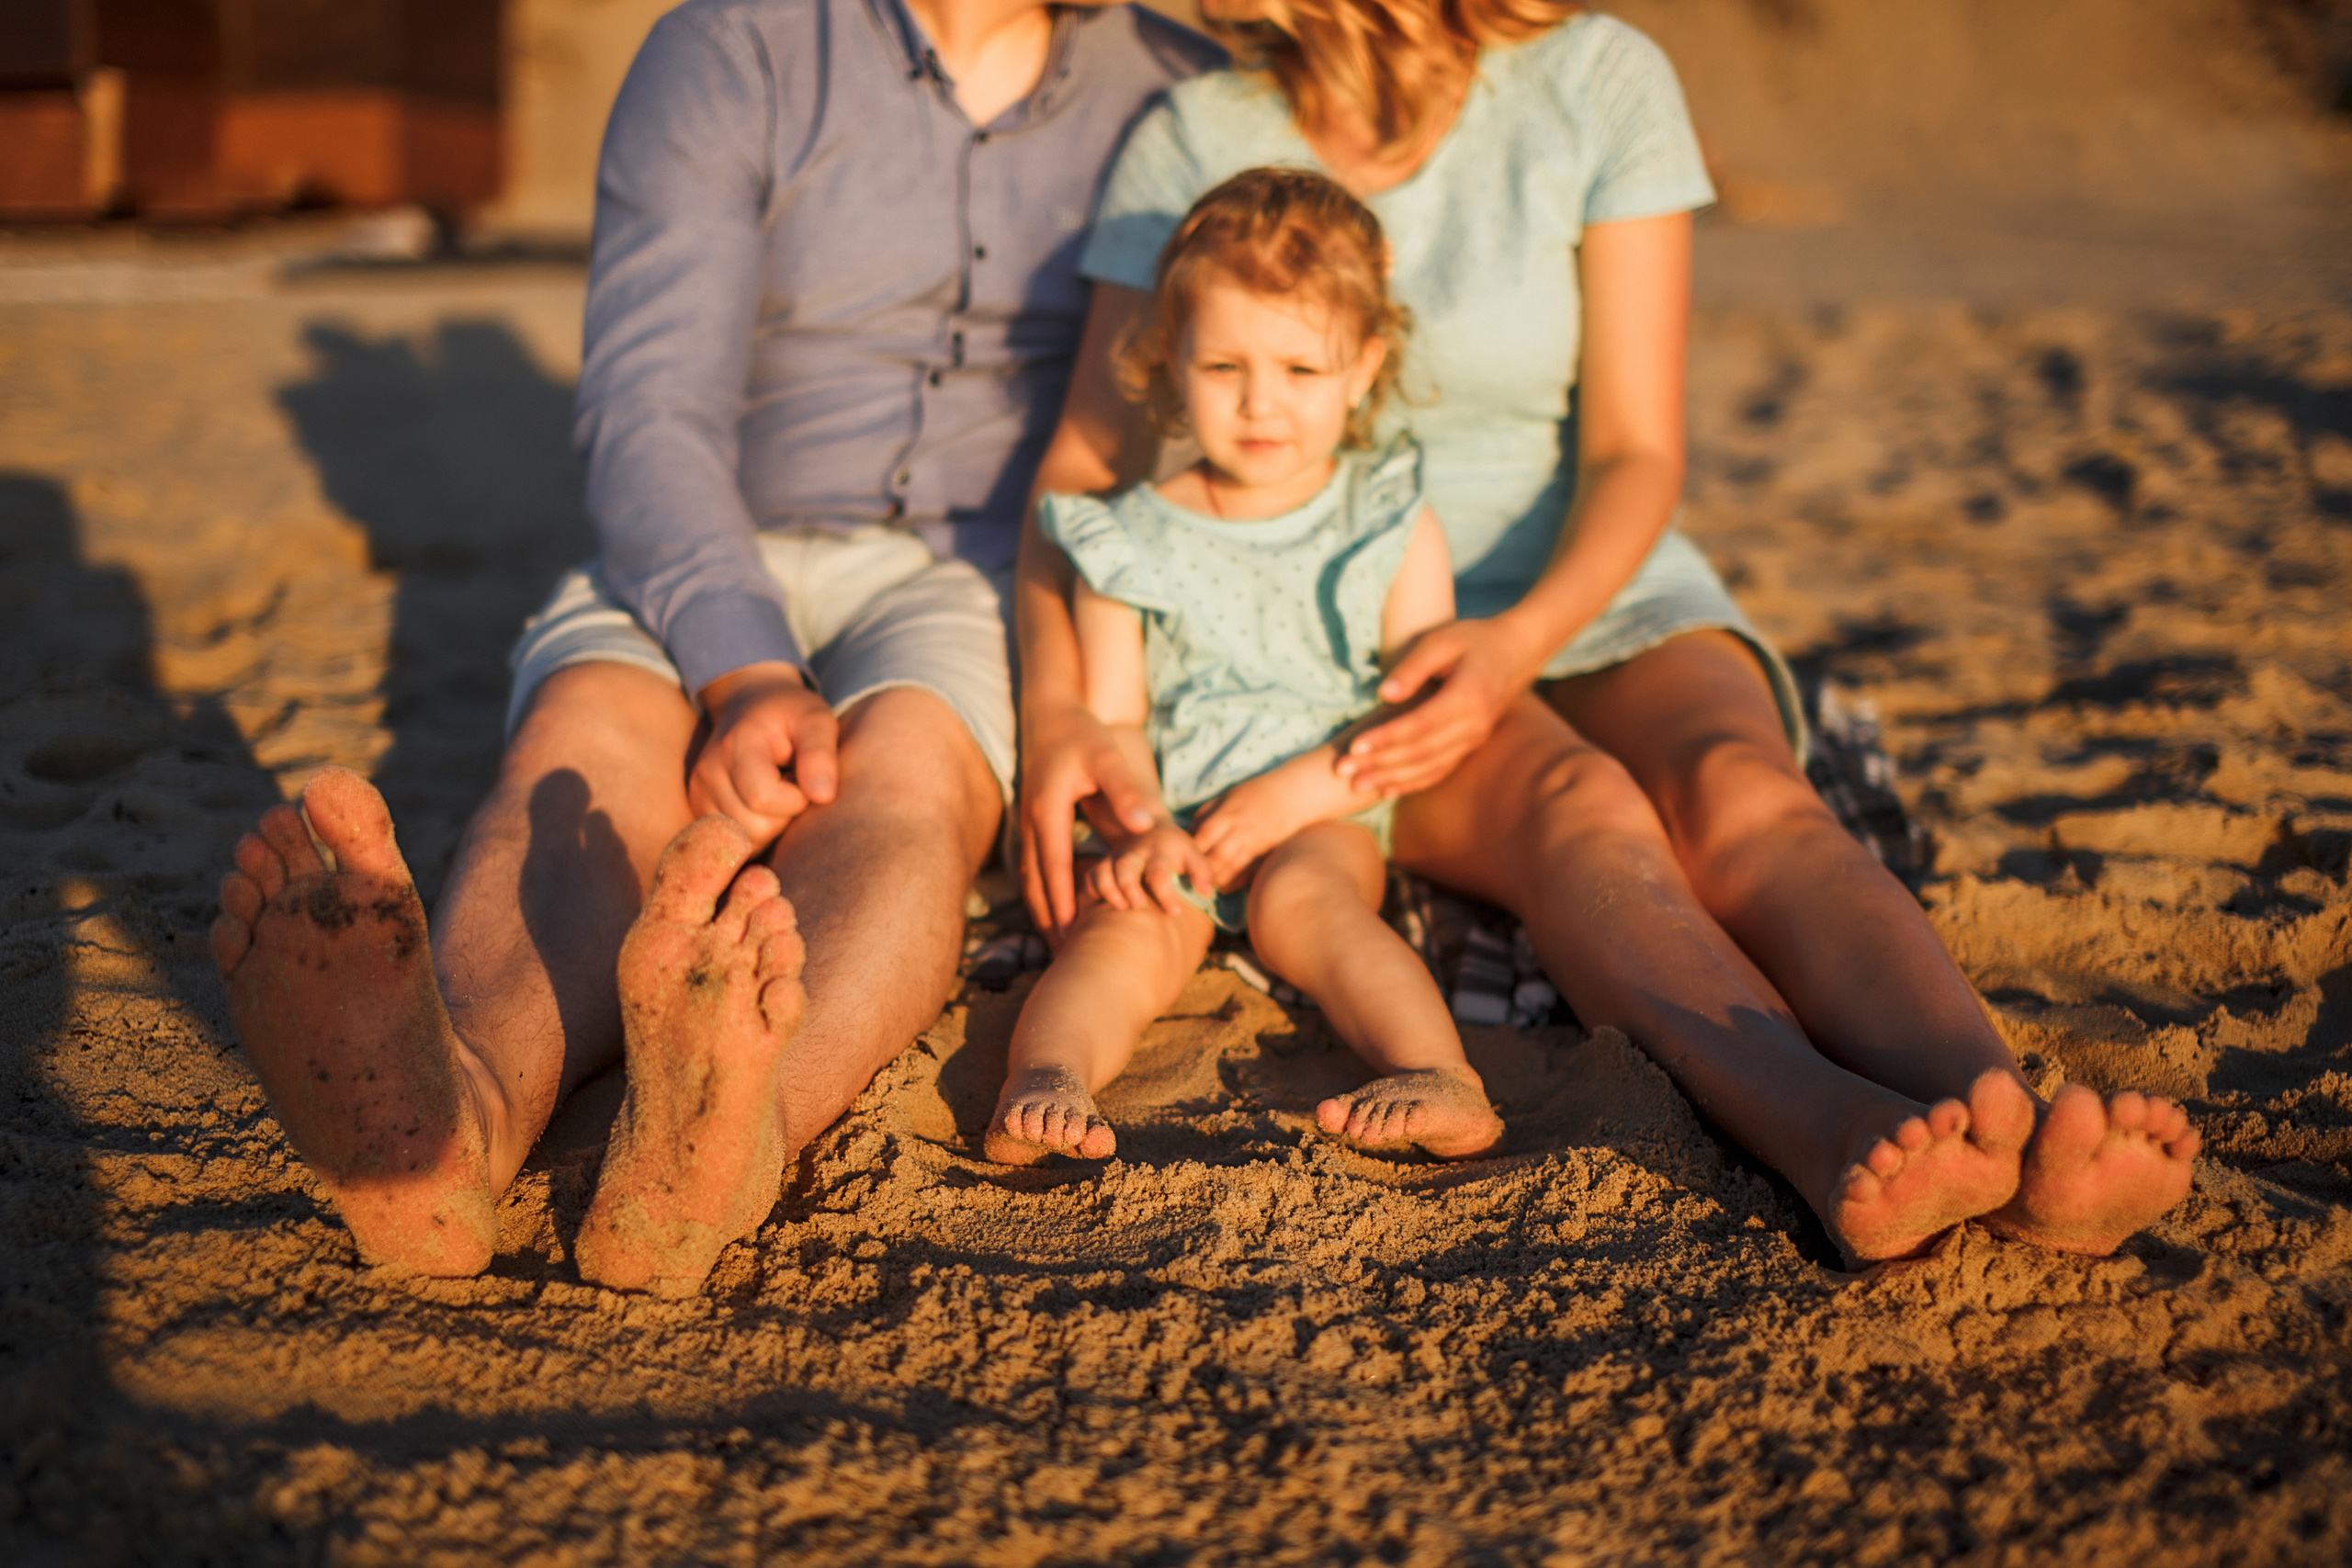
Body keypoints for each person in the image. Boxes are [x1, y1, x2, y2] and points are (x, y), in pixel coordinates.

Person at [1014, 0, 2199, 1264]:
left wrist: (1519, 640)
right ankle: (1825, 1124)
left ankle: (1998, 1117)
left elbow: (1639, 449)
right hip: (1355, 649)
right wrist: (1062, 716)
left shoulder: (1600, 79)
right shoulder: (1196, 130)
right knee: (1584, 811)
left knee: (1743, 786)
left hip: (1589, 575)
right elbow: (1081, 481)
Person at [209, 0, 1220, 1295]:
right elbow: (649, 406)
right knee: (585, 750)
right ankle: (448, 1118)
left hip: (973, 566)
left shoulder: (1174, 86)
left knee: (907, 779)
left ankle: (732, 1140)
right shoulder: (736, 47)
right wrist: (743, 666)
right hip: (706, 535)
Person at [988, 168, 1502, 1167]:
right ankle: (1047, 1075)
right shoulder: (1129, 537)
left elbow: (1416, 713)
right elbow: (1113, 718)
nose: (1262, 404)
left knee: (1305, 903)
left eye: (1301, 373)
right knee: (1125, 926)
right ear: (1169, 362)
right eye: (1224, 366)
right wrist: (1143, 824)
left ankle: (1436, 1069)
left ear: (1363, 367)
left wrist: (1290, 795)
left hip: (1323, 806)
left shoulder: (1387, 521)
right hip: (1175, 811)